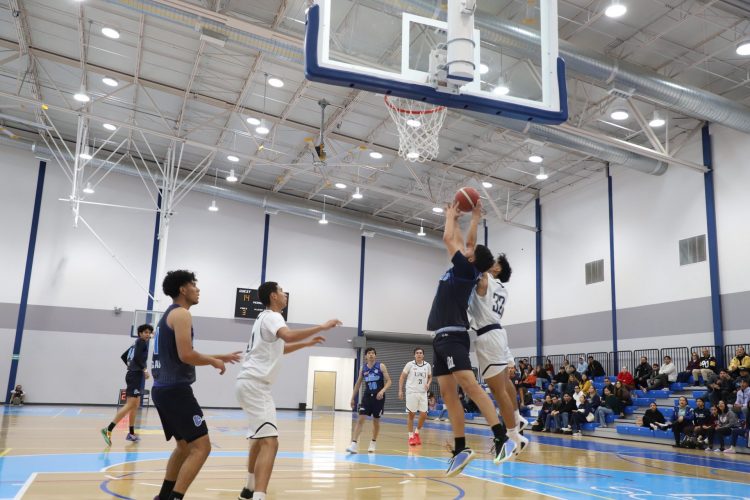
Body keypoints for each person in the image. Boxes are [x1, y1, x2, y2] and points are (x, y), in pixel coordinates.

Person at [426, 200, 515, 476]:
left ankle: (502, 437)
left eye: (470, 251)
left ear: (472, 259)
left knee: (470, 386)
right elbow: (469, 242)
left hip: (454, 334)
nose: (466, 247)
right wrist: (471, 218)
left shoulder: (465, 270)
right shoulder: (468, 267)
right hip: (440, 338)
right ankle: (461, 448)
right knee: (448, 394)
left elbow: (447, 238)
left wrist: (450, 217)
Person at [235, 281, 340, 500]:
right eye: (281, 291)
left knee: (258, 439)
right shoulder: (274, 316)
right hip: (256, 386)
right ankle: (259, 496)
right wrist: (322, 326)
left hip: (247, 383)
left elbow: (282, 348)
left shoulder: (263, 318)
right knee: (271, 442)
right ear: (273, 296)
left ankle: (248, 489)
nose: (285, 294)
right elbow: (288, 336)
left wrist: (307, 344)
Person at [151, 270, 242, 500]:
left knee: (183, 447)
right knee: (202, 447)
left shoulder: (169, 315)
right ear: (183, 289)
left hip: (162, 390)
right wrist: (212, 361)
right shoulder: (182, 314)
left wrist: (219, 356)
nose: (197, 289)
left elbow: (181, 353)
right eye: (193, 285)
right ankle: (175, 497)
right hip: (175, 391)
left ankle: (163, 497)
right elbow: (186, 355)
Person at [101, 323, 153, 445]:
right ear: (140, 333)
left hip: (134, 374)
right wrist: (144, 370)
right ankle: (108, 429)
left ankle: (131, 433)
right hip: (135, 376)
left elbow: (124, 356)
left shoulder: (136, 343)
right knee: (130, 405)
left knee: (135, 405)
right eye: (145, 332)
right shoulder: (141, 342)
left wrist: (131, 367)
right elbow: (138, 358)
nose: (148, 334)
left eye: (149, 333)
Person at [347, 347, 392, 454]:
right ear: (365, 356)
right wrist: (352, 398)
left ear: (375, 356)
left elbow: (389, 381)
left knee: (376, 421)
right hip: (367, 397)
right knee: (360, 419)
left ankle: (373, 442)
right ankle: (353, 444)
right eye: (369, 353)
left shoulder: (381, 366)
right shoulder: (363, 368)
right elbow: (358, 384)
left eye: (373, 353)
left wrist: (382, 391)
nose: (371, 354)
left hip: (378, 398)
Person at [399, 347, 432, 446]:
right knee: (411, 414)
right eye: (417, 353)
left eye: (420, 353)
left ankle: (416, 433)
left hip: (423, 393)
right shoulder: (410, 364)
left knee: (424, 414)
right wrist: (400, 390)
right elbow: (402, 377)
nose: (419, 354)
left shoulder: (427, 365)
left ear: (423, 355)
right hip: (411, 392)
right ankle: (410, 437)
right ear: (414, 355)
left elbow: (430, 377)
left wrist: (428, 383)